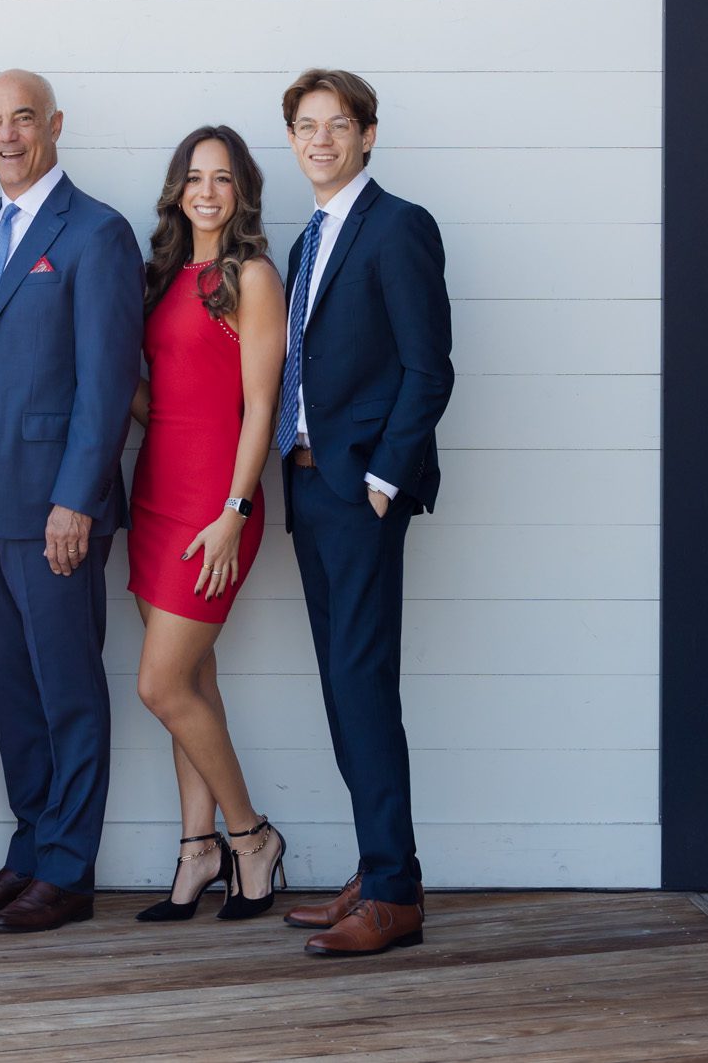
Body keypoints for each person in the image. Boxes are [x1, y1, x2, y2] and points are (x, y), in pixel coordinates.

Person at [0, 70, 144, 934]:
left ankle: (68, 868)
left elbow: (106, 385)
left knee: (67, 688)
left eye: (23, 117)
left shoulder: (97, 233)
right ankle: (29, 850)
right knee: (15, 692)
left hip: (54, 507)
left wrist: (76, 500)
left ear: (54, 123)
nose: (7, 134)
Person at [269, 68, 454, 957]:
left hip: (360, 495)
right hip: (308, 488)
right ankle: (384, 868)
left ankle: (394, 893)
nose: (319, 139)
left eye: (336, 124)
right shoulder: (308, 240)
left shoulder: (399, 226)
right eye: (305, 126)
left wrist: (383, 480)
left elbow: (429, 369)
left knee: (364, 684)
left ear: (368, 134)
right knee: (345, 687)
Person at [126, 126, 289, 922]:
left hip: (214, 502)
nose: (207, 191)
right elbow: (157, 386)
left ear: (241, 190)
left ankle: (252, 835)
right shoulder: (161, 275)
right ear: (177, 188)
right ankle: (197, 850)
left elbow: (261, 405)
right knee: (191, 682)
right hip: (154, 492)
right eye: (195, 176)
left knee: (160, 682)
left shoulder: (251, 276)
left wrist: (236, 507)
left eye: (222, 178)